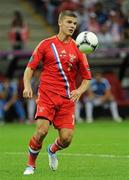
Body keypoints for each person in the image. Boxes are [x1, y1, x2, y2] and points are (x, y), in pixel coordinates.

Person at [23, 10, 92, 175]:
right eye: (69, 22)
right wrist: (27, 86)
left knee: (67, 139)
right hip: (47, 95)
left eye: (74, 24)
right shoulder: (46, 44)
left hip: (67, 100)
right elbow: (30, 68)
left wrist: (80, 90)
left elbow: (87, 78)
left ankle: (52, 150)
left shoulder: (79, 48)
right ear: (60, 23)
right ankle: (30, 165)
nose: (72, 26)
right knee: (41, 131)